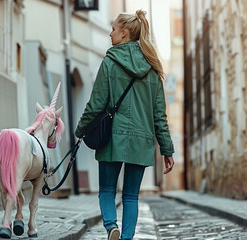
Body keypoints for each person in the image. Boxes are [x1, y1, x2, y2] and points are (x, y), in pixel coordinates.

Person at [74, 10, 175, 240]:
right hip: (141, 141)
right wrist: (167, 150)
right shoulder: (153, 68)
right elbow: (160, 116)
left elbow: (95, 104)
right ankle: (126, 238)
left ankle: (112, 227)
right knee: (131, 196)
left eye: (113, 29)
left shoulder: (109, 62)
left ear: (124, 32)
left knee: (107, 190)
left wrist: (80, 130)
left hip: (112, 139)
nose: (110, 34)